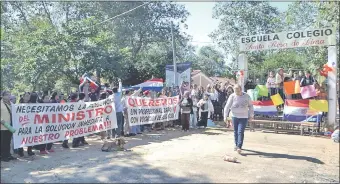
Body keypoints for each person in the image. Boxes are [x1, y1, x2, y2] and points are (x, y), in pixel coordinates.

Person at [224, 84, 254, 154]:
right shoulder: (232, 96)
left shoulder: (247, 96)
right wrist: (225, 117)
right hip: (234, 116)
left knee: (240, 131)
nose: (236, 93)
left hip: (244, 117)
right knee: (235, 131)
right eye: (235, 91)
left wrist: (251, 115)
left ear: (241, 90)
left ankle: (239, 146)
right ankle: (236, 144)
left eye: (237, 91)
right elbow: (227, 106)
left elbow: (251, 106)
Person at [17, 92, 35, 157]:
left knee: (30, 137)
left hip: (30, 123)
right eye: (26, 96)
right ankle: (20, 151)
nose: (28, 97)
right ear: (23, 97)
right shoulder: (19, 105)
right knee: (21, 137)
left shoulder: (31, 104)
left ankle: (29, 150)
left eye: (29, 96)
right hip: (22, 124)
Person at [1, 91, 17, 162]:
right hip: (2, 126)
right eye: (7, 95)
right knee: (3, 142)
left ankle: (8, 155)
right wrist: (2, 121)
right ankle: (3, 156)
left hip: (10, 126)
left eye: (9, 95)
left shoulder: (11, 104)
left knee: (8, 142)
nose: (8, 96)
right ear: (3, 96)